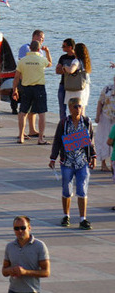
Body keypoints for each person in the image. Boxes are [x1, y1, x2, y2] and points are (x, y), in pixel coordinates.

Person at [49, 97, 96, 230]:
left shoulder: (86, 121)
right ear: (70, 108)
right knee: (66, 190)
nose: (78, 109)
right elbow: (57, 140)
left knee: (82, 190)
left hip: (82, 162)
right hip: (67, 162)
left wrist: (93, 156)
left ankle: (83, 219)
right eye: (75, 106)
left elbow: (90, 140)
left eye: (80, 106)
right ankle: (66, 215)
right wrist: (53, 158)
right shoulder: (64, 123)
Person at [12, 40, 52, 145]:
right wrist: (47, 52)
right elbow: (50, 64)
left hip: (26, 88)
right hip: (39, 87)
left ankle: (21, 136)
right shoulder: (41, 59)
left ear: (30, 49)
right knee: (41, 113)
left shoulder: (23, 61)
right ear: (39, 49)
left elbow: (16, 77)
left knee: (23, 112)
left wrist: (15, 89)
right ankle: (40, 138)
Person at [2, 216, 50, 293]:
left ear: (29, 228)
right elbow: (4, 271)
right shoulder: (10, 246)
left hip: (32, 291)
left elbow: (46, 272)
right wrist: (11, 270)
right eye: (16, 228)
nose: (20, 231)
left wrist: (25, 272)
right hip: (13, 290)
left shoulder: (39, 246)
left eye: (23, 228)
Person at [13, 30, 45, 137]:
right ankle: (22, 132)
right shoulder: (25, 48)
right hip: (25, 82)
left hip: (36, 82)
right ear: (34, 36)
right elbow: (22, 67)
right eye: (41, 38)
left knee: (33, 108)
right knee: (24, 108)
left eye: (43, 39)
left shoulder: (40, 51)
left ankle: (32, 129)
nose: (42, 40)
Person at [63, 43, 92, 116]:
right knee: (82, 109)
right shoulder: (85, 62)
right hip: (84, 87)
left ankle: (75, 126)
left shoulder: (76, 61)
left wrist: (65, 67)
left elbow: (71, 70)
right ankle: (83, 125)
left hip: (75, 88)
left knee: (74, 109)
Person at [96, 75, 115, 172]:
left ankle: (113, 164)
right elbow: (100, 102)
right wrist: (97, 115)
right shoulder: (107, 88)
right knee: (103, 139)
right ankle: (103, 163)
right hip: (105, 116)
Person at [55, 38, 76, 119]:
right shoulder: (63, 57)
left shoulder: (76, 58)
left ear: (70, 47)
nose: (62, 48)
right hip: (63, 84)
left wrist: (64, 69)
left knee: (74, 107)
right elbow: (57, 70)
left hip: (74, 86)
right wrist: (67, 70)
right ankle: (63, 125)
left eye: (64, 46)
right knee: (62, 108)